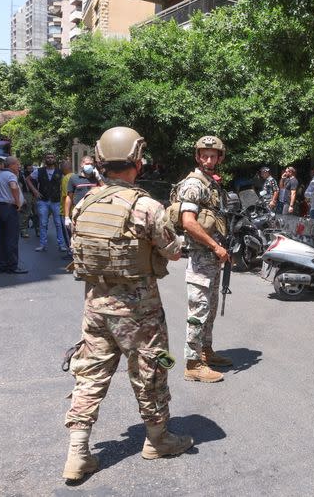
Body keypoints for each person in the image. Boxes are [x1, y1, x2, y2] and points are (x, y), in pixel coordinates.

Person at [63, 126, 191, 482]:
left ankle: (77, 453)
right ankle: (158, 439)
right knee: (151, 369)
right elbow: (174, 251)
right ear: (137, 160)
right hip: (140, 313)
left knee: (89, 374)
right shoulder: (147, 206)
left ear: (100, 162)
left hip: (95, 308)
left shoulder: (85, 202)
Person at [176, 135, 233, 384]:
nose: (209, 159)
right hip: (201, 257)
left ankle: (205, 351)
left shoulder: (211, 184)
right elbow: (188, 222)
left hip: (211, 257)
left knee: (209, 309)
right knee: (198, 310)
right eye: (204, 155)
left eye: (213, 155)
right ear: (198, 157)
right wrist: (214, 246)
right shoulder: (193, 184)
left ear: (220, 157)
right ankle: (192, 363)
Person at [26, 152, 67, 252]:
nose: (50, 159)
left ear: (54, 159)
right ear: (45, 159)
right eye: (48, 157)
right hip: (43, 201)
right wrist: (35, 191)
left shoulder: (60, 172)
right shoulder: (39, 171)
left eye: (52, 157)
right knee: (43, 223)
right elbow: (28, 179)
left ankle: (61, 244)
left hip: (56, 201)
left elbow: (65, 183)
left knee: (58, 223)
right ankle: (42, 244)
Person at [0, 157, 27, 274]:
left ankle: (2, 265)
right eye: (18, 164)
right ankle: (12, 266)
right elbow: (13, 187)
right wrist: (18, 203)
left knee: (3, 237)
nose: (19, 166)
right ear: (12, 165)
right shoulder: (10, 176)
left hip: (1, 207)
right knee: (12, 238)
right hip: (9, 208)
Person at [64, 155, 103, 230]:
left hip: (96, 213)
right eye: (87, 164)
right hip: (79, 213)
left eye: (91, 164)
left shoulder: (99, 178)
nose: (89, 166)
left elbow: (106, 189)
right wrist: (66, 217)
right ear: (82, 165)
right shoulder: (74, 178)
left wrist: (99, 178)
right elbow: (69, 197)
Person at [60, 161, 74, 259]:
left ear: (65, 168)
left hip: (66, 211)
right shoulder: (75, 177)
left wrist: (66, 215)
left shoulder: (66, 178)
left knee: (67, 233)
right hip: (75, 210)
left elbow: (66, 197)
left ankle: (71, 253)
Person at [19, 164, 36, 238]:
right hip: (26, 194)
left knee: (37, 213)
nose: (30, 170)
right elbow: (20, 187)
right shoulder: (21, 175)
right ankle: (23, 230)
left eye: (31, 168)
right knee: (26, 213)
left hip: (35, 194)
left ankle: (37, 229)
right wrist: (22, 198)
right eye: (28, 168)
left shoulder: (35, 174)